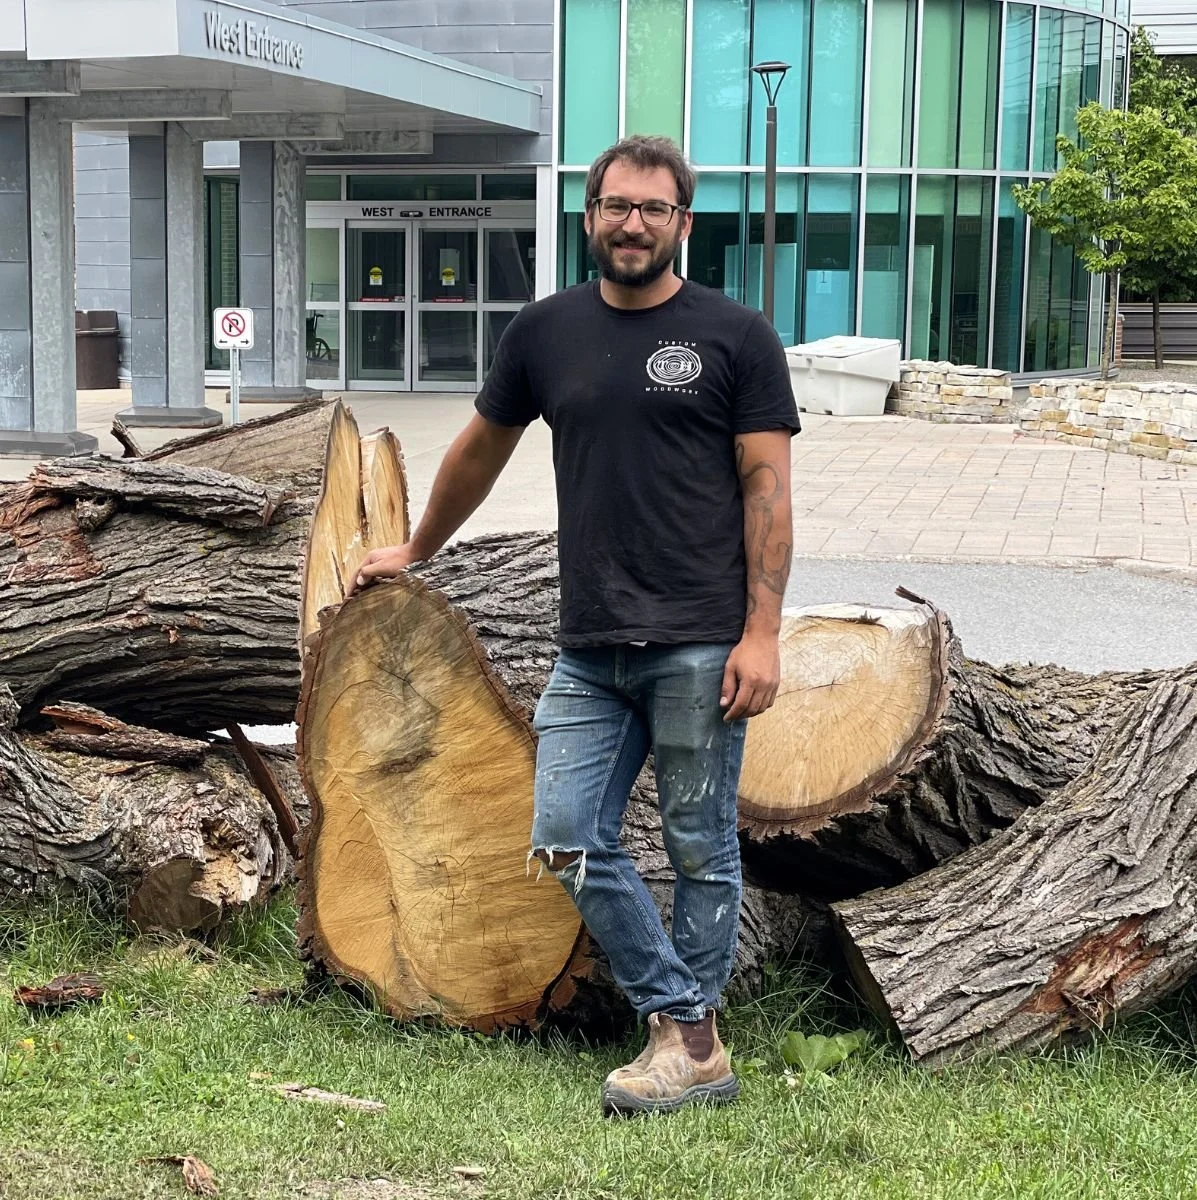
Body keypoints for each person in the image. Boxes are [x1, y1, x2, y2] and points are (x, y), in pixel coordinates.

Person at [350, 135, 799, 1116]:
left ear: (683, 222)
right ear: (589, 216)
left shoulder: (735, 337)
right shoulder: (544, 332)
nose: (633, 223)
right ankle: (690, 1029)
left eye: (653, 208)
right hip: (590, 649)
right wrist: (417, 547)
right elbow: (479, 450)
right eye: (616, 206)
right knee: (562, 837)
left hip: (699, 643)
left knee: (699, 848)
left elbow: (766, 490)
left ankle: (685, 1047)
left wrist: (762, 633)